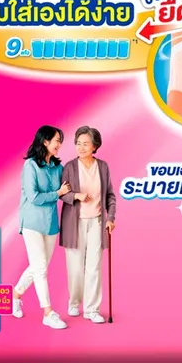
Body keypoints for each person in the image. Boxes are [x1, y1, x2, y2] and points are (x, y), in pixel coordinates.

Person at [13, 125, 71, 329]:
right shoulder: (30, 166)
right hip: (32, 222)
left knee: (40, 266)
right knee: (40, 268)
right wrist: (57, 193)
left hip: (50, 223)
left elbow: (68, 188)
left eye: (60, 141)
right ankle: (48, 312)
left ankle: (15, 295)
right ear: (45, 142)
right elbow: (34, 197)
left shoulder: (57, 167)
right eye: (57, 140)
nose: (59, 145)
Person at [59, 125, 116, 323]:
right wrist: (76, 195)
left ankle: (92, 309)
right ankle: (74, 303)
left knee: (94, 268)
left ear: (95, 146)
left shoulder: (103, 167)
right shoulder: (69, 167)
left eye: (85, 144)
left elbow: (110, 196)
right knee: (75, 268)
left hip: (97, 223)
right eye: (78, 143)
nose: (81, 147)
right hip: (74, 224)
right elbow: (63, 194)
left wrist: (110, 218)